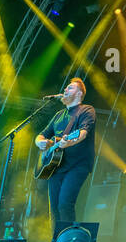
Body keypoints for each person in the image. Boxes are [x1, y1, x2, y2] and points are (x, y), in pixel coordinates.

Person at [35, 78, 96, 230]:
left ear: (79, 93)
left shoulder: (87, 110)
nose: (65, 90)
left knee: (65, 203)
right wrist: (40, 142)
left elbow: (82, 133)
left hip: (78, 165)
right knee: (54, 208)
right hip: (56, 166)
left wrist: (68, 142)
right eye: (66, 88)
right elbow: (41, 135)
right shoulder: (58, 115)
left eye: (70, 88)